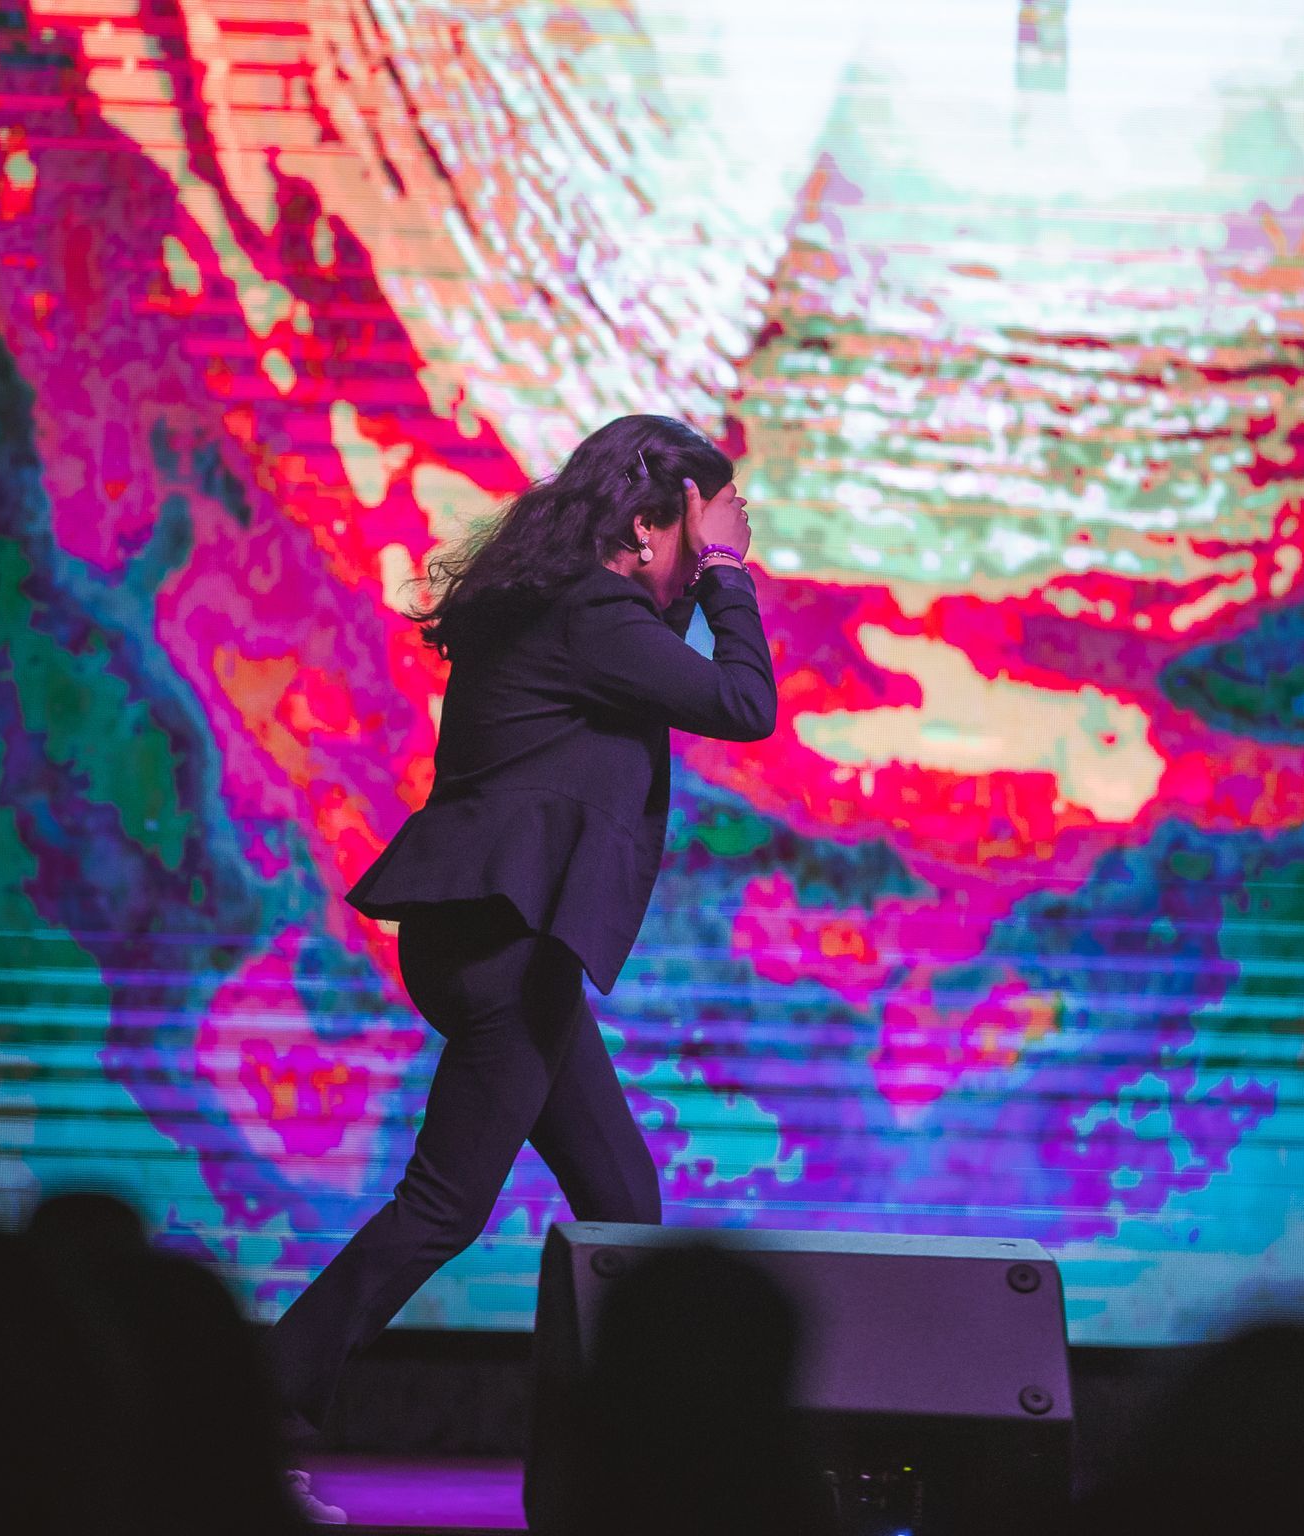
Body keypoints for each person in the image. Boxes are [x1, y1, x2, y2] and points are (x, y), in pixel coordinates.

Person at [261, 414, 774, 1501]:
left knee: (623, 1205)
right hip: (503, 941)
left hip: (501, 942)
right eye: (703, 527)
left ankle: (615, 1467)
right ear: (646, 525)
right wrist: (725, 575)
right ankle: (246, 1416)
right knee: (445, 1206)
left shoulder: (571, 603)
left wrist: (695, 562)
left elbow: (671, 654)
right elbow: (742, 702)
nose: (724, 548)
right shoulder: (589, 611)